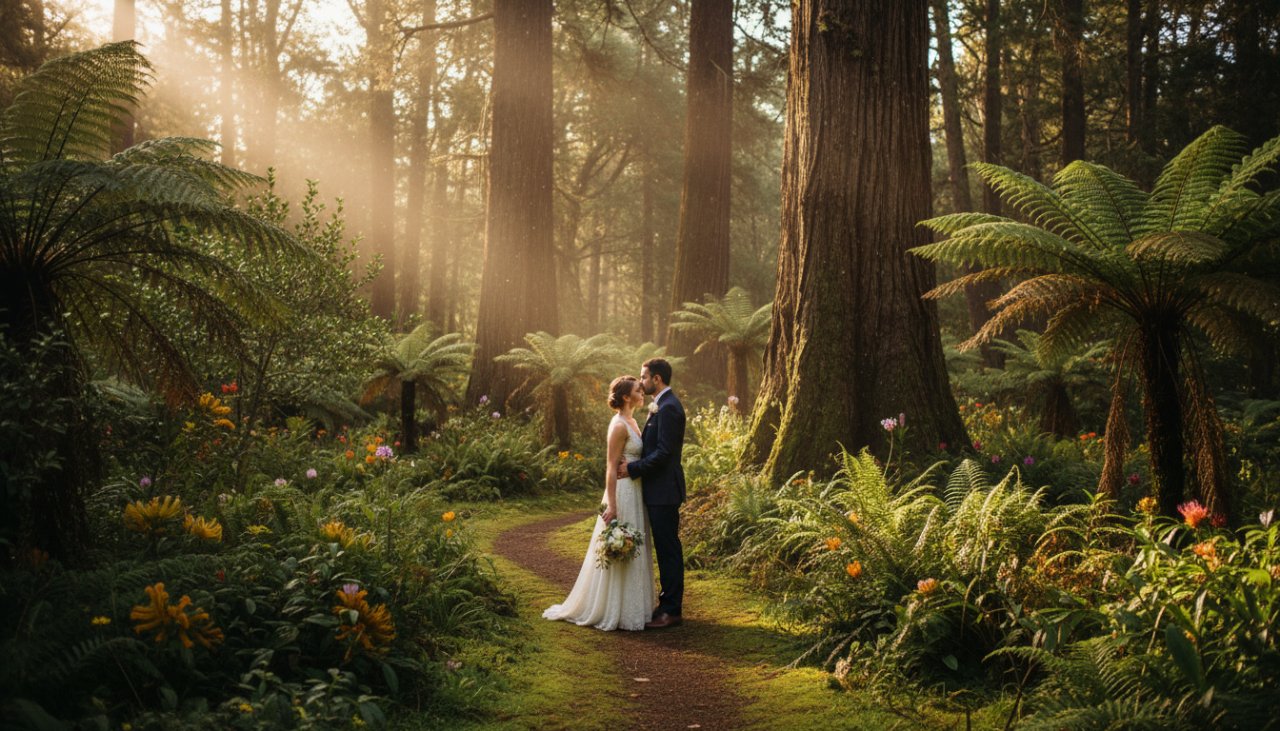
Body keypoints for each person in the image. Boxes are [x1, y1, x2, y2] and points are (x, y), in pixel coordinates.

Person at [543, 376, 656, 631]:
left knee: (635, 544)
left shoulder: (634, 421)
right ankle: (612, 608)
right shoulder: (618, 426)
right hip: (623, 492)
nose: (642, 392)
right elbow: (610, 466)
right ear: (626, 397)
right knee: (622, 544)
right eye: (638, 390)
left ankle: (635, 607)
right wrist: (612, 506)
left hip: (636, 491)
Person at [617, 358, 686, 629]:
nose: (641, 382)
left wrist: (633, 468)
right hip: (658, 490)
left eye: (644, 377)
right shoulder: (661, 406)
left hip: (665, 490)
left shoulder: (669, 408)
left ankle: (671, 610)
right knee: (664, 547)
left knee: (668, 549)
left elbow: (665, 453)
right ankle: (666, 604)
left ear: (657, 379)